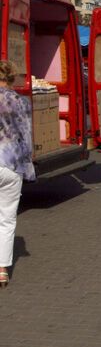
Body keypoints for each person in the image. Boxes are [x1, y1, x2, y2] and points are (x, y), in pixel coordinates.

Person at [0, 61, 33, 288]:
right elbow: (26, 136)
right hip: (11, 163)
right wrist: (29, 165)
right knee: (7, 218)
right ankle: (1, 269)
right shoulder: (19, 102)